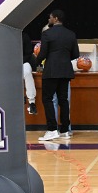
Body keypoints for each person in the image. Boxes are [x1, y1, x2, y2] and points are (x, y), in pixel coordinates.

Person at [36, 10, 79, 141]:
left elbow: (43, 53)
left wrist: (35, 63)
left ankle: (52, 129)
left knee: (47, 99)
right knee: (63, 100)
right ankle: (65, 131)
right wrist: (64, 58)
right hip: (65, 70)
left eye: (50, 18)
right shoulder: (71, 34)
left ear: (55, 18)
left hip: (51, 70)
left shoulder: (47, 33)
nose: (49, 20)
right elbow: (76, 54)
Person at [22, 31, 37, 115]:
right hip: (7, 64)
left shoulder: (24, 36)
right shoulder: (4, 35)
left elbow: (28, 53)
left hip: (23, 62)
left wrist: (18, 62)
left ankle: (32, 103)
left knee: (27, 71)